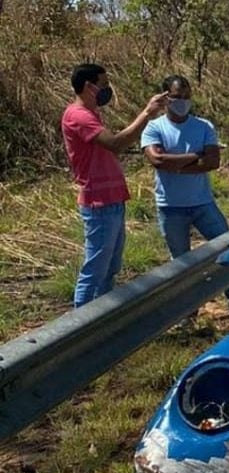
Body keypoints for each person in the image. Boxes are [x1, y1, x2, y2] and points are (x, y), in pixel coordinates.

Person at [61, 63, 167, 308]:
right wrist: (146, 114)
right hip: (99, 202)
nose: (107, 89)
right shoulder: (79, 116)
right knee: (95, 269)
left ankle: (102, 316)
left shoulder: (90, 114)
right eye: (104, 84)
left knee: (109, 268)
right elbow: (115, 144)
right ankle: (81, 323)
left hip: (112, 199)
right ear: (89, 86)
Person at [141, 75, 229, 314]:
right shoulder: (154, 127)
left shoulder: (203, 126)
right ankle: (189, 309)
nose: (183, 102)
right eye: (177, 97)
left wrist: (176, 165)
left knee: (228, 248)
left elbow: (212, 162)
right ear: (165, 98)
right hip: (170, 206)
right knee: (181, 263)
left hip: (202, 202)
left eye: (186, 97)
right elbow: (157, 159)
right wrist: (195, 156)